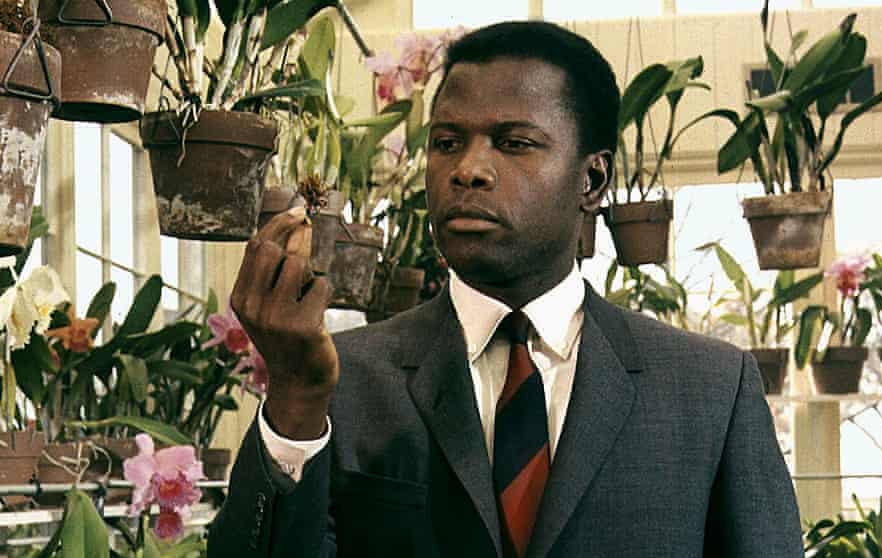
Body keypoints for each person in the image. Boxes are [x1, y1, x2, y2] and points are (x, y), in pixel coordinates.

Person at [207, 21, 802, 558]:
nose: (467, 169)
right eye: (447, 143)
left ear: (593, 179)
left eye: (514, 142)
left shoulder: (710, 390)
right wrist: (294, 401)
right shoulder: (342, 381)